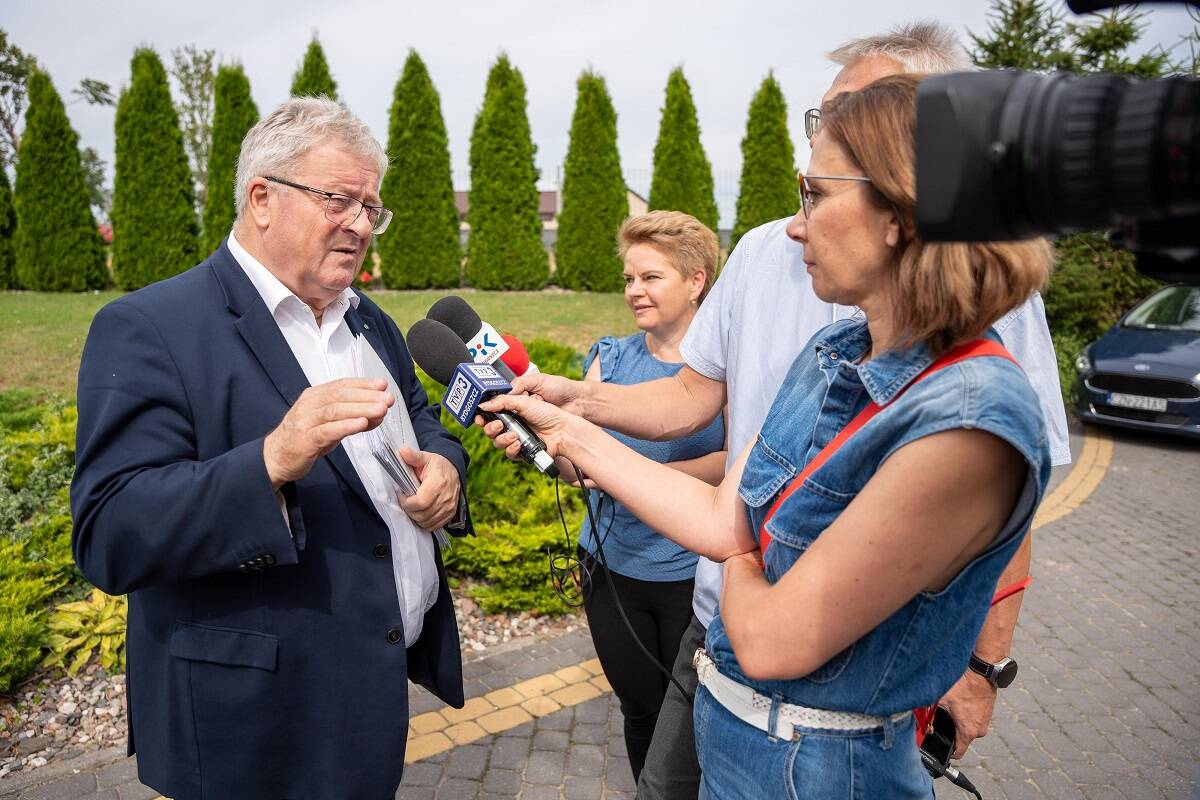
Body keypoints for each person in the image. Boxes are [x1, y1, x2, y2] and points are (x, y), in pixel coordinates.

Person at [510, 22, 1071, 799]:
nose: (794, 223)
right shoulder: (834, 356)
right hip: (735, 722)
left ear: (903, 210)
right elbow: (724, 520)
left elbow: (773, 631)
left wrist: (741, 545)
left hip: (817, 766)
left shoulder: (972, 413)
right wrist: (569, 425)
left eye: (816, 192)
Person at [70, 97, 471, 800]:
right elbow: (110, 532)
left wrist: (446, 468)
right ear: (262, 198)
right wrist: (271, 461)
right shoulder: (150, 327)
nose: (360, 224)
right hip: (253, 730)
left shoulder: (367, 320)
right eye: (339, 200)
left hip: (372, 696)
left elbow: (421, 418)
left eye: (372, 207)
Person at [573, 211, 726, 782]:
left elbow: (736, 458)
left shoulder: (719, 368)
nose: (634, 291)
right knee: (640, 712)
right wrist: (546, 447)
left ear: (696, 281)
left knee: (695, 719)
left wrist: (635, 473)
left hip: (692, 572)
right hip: (612, 569)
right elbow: (577, 462)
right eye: (629, 278)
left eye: (651, 277)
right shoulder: (609, 359)